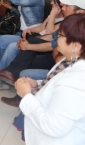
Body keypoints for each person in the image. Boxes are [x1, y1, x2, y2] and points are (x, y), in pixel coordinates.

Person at [15, 14, 85, 144]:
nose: (57, 38)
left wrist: (26, 96)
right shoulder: (70, 60)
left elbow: (52, 126)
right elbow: (57, 87)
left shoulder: (76, 82)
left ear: (76, 46)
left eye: (61, 35)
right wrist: (37, 84)